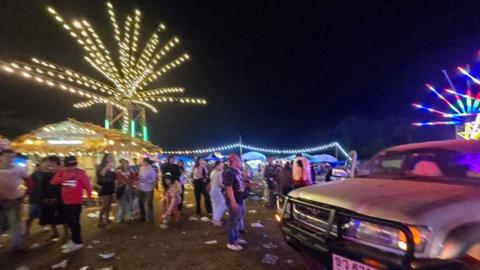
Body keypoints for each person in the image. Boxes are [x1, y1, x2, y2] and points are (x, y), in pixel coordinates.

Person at [51, 156, 92, 253]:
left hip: (76, 202)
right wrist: (66, 176)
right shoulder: (62, 171)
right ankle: (74, 240)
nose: (71, 167)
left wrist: (89, 198)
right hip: (65, 202)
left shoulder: (81, 173)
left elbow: (87, 186)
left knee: (74, 222)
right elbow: (53, 181)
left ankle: (78, 242)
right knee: (69, 222)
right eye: (69, 166)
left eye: (73, 165)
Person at [0, 149, 29, 251]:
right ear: (1, 157)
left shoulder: (19, 169)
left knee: (15, 223)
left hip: (14, 200)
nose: (10, 159)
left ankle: (17, 245)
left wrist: (24, 195)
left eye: (12, 157)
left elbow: (30, 183)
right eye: (7, 156)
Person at [40, 155, 67, 241]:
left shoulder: (61, 171)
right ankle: (55, 232)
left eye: (49, 161)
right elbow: (42, 186)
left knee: (63, 216)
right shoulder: (45, 172)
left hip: (59, 198)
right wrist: (44, 197)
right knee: (50, 216)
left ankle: (66, 233)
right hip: (47, 197)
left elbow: (63, 186)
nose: (47, 163)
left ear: (54, 162)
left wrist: (57, 198)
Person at [223, 153, 247, 251]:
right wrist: (233, 202)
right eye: (238, 160)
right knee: (233, 221)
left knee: (237, 220)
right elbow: (229, 188)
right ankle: (231, 242)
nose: (240, 161)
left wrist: (249, 185)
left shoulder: (237, 171)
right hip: (235, 200)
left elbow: (240, 184)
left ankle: (236, 237)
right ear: (233, 161)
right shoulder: (229, 172)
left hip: (240, 199)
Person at [25, 159, 49, 237]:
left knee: (42, 214)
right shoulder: (33, 175)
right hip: (34, 199)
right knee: (32, 215)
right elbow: (28, 185)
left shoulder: (45, 174)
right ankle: (27, 230)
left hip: (41, 198)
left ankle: (43, 226)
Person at [96, 154, 116, 227]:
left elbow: (114, 178)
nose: (111, 158)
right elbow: (101, 174)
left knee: (109, 204)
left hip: (111, 187)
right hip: (104, 187)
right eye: (110, 157)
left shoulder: (112, 167)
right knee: (104, 204)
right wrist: (107, 167)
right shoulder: (101, 166)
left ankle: (107, 218)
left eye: (112, 157)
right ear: (105, 159)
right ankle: (100, 220)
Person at [136, 158, 157, 222]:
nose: (141, 162)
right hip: (140, 188)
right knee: (140, 202)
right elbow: (139, 177)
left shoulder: (151, 169)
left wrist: (147, 181)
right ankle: (142, 216)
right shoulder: (141, 168)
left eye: (142, 161)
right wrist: (137, 184)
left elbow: (154, 179)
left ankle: (150, 217)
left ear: (146, 162)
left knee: (149, 203)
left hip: (148, 189)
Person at [116, 158, 135, 223]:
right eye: (124, 163)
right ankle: (120, 217)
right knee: (122, 203)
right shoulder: (119, 171)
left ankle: (131, 216)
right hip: (122, 189)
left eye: (126, 163)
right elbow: (120, 180)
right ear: (121, 164)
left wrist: (128, 181)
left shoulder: (131, 170)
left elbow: (133, 178)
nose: (125, 165)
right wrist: (128, 181)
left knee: (131, 202)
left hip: (130, 188)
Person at [209, 161, 226, 226]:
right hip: (216, 190)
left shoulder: (212, 172)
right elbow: (220, 184)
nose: (222, 166)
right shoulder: (218, 173)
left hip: (212, 189)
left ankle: (215, 218)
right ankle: (216, 219)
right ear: (217, 166)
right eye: (221, 165)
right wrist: (225, 186)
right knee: (223, 204)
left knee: (216, 204)